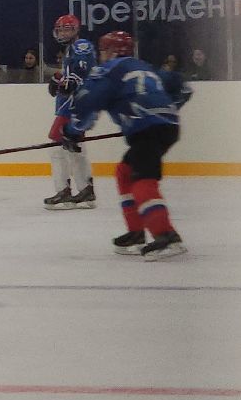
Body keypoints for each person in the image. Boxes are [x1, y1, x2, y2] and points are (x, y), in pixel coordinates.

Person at [63, 31, 191, 260]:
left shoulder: (109, 70)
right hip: (164, 126)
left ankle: (166, 236)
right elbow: (182, 87)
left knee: (142, 180)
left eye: (102, 51)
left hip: (148, 130)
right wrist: (161, 111)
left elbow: (88, 102)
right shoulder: (144, 66)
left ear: (111, 51)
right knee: (125, 172)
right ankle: (135, 232)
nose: (101, 56)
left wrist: (72, 132)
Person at [44, 14, 98, 211]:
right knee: (74, 146)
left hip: (73, 104)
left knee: (57, 145)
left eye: (67, 29)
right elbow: (71, 72)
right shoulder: (70, 49)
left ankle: (64, 191)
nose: (63, 32)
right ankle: (85, 190)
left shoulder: (81, 45)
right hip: (72, 103)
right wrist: (58, 77)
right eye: (60, 29)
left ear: (75, 29)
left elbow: (82, 69)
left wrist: (70, 81)